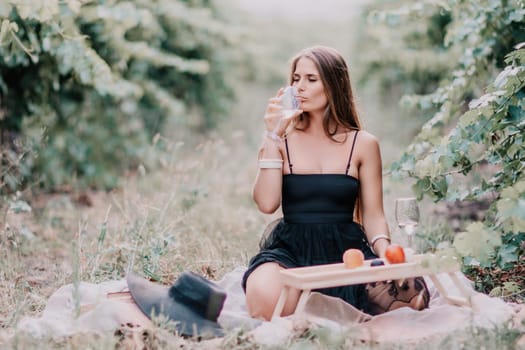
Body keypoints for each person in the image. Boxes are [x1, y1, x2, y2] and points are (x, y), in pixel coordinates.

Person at [242, 46, 428, 321]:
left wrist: (385, 252)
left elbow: (374, 215)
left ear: (334, 85)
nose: (300, 87)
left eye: (311, 79)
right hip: (291, 248)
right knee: (263, 296)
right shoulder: (280, 141)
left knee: (412, 300)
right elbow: (267, 204)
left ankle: (320, 307)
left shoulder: (363, 143)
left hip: (347, 251)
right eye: (296, 79)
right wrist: (272, 136)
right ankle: (320, 308)